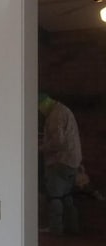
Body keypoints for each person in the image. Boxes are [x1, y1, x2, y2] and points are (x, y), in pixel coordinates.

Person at [38, 93, 82, 236]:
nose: (39, 112)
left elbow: (58, 142)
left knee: (55, 196)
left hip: (59, 161)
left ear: (44, 104)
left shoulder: (55, 115)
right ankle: (72, 227)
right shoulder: (64, 110)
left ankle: (55, 229)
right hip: (73, 160)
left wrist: (41, 148)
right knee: (67, 196)